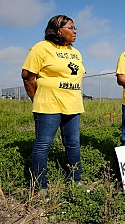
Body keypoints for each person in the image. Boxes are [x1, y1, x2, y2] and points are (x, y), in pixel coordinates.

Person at [21, 15, 85, 190]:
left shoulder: (76, 52)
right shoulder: (41, 48)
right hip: (48, 105)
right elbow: (28, 77)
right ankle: (39, 185)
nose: (75, 31)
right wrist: (39, 99)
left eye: (74, 27)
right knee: (43, 144)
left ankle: (75, 179)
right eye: (70, 28)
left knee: (73, 143)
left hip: (72, 105)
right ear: (58, 30)